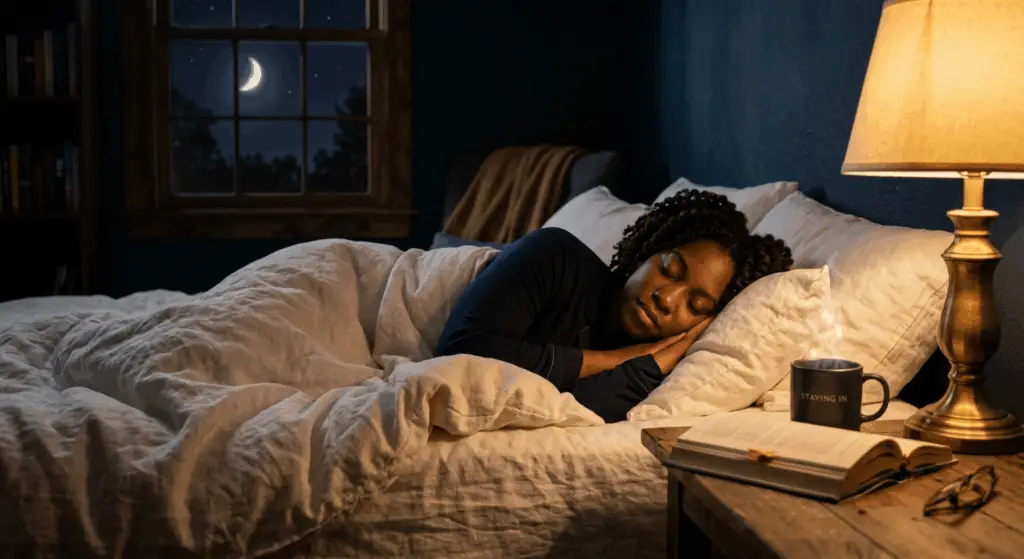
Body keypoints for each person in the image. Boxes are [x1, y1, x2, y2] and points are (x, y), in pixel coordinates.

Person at [435, 189, 794, 422]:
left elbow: (568, 414)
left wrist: (654, 362)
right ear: (646, 252)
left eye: (695, 304)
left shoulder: (663, 372)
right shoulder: (554, 256)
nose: (666, 299)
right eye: (669, 269)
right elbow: (460, 352)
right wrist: (616, 360)